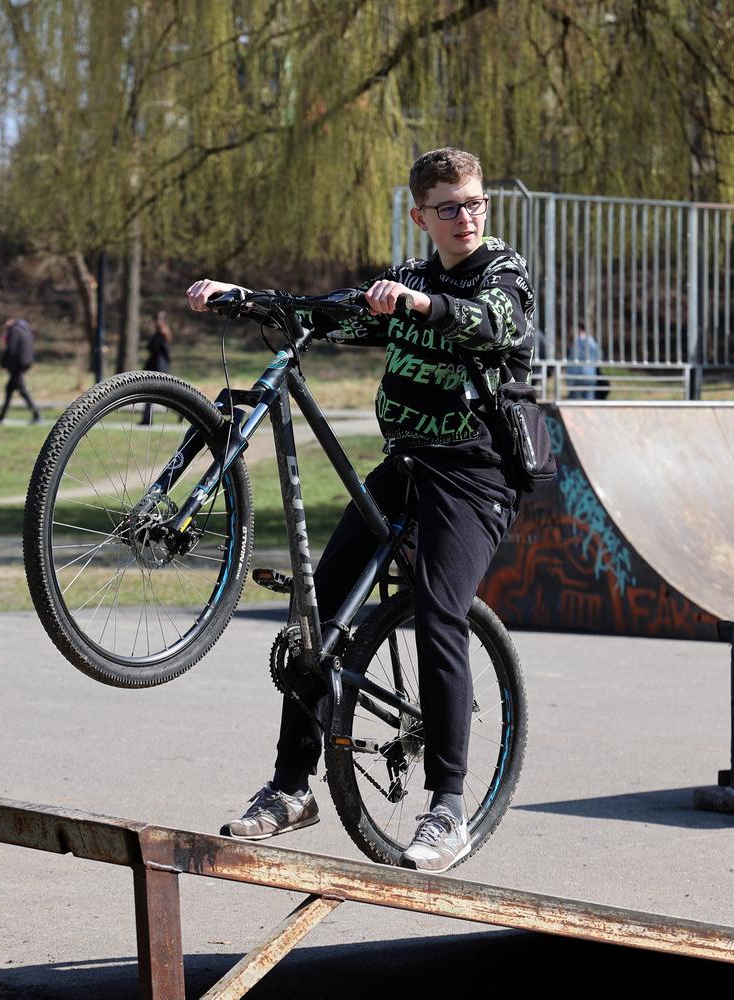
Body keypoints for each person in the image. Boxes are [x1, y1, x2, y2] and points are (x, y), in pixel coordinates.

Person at [186, 147, 533, 872]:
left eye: (473, 203)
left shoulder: (503, 272)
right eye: (449, 208)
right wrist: (244, 297)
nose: (465, 217)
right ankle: (290, 787)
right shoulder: (404, 278)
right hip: (406, 467)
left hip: (476, 476)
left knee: (440, 609)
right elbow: (326, 313)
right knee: (320, 611)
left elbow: (489, 321)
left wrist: (420, 306)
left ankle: (447, 808)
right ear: (420, 217)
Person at [0, 317, 41, 423]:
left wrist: (3, 363)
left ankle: (36, 413)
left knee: (22, 389)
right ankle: (2, 415)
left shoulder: (14, 330)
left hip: (17, 363)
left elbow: (11, 349)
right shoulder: (25, 329)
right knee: (9, 388)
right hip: (25, 362)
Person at [139, 310, 174, 425]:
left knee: (164, 396)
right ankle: (147, 418)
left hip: (158, 368)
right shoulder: (158, 334)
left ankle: (182, 413)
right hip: (155, 366)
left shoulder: (163, 334)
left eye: (158, 319)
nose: (156, 321)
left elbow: (164, 353)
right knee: (152, 395)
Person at [564, 323, 602, 400]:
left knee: (575, 400)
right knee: (589, 399)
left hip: (578, 376)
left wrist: (569, 378)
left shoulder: (577, 343)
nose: (570, 331)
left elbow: (573, 361)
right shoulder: (592, 341)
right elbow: (599, 356)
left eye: (572, 329)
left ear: (578, 329)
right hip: (591, 375)